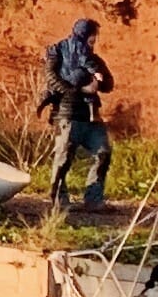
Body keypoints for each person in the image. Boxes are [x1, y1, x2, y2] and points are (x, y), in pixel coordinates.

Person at [42, 16, 118, 210]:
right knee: (64, 157)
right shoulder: (57, 53)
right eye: (92, 38)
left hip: (91, 115)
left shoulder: (92, 59)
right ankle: (59, 198)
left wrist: (96, 84)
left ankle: (93, 199)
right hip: (67, 114)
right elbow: (52, 78)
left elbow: (108, 83)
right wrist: (80, 90)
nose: (93, 42)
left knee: (103, 153)